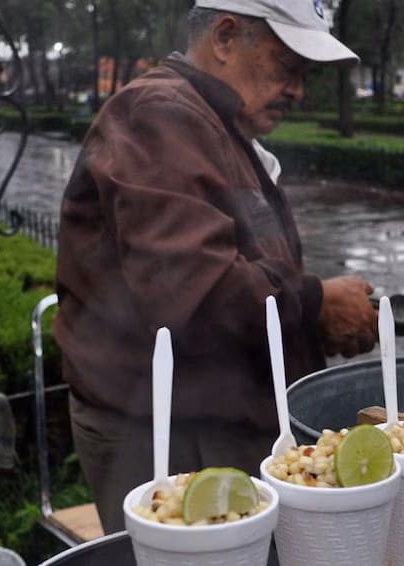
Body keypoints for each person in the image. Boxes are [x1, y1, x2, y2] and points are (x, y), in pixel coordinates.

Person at [53, 0, 376, 534]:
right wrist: (317, 304)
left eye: (304, 74)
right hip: (166, 432)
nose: (298, 90)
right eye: (287, 66)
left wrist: (312, 311)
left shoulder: (216, 123)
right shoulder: (157, 114)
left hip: (212, 419)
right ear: (225, 37)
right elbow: (194, 295)